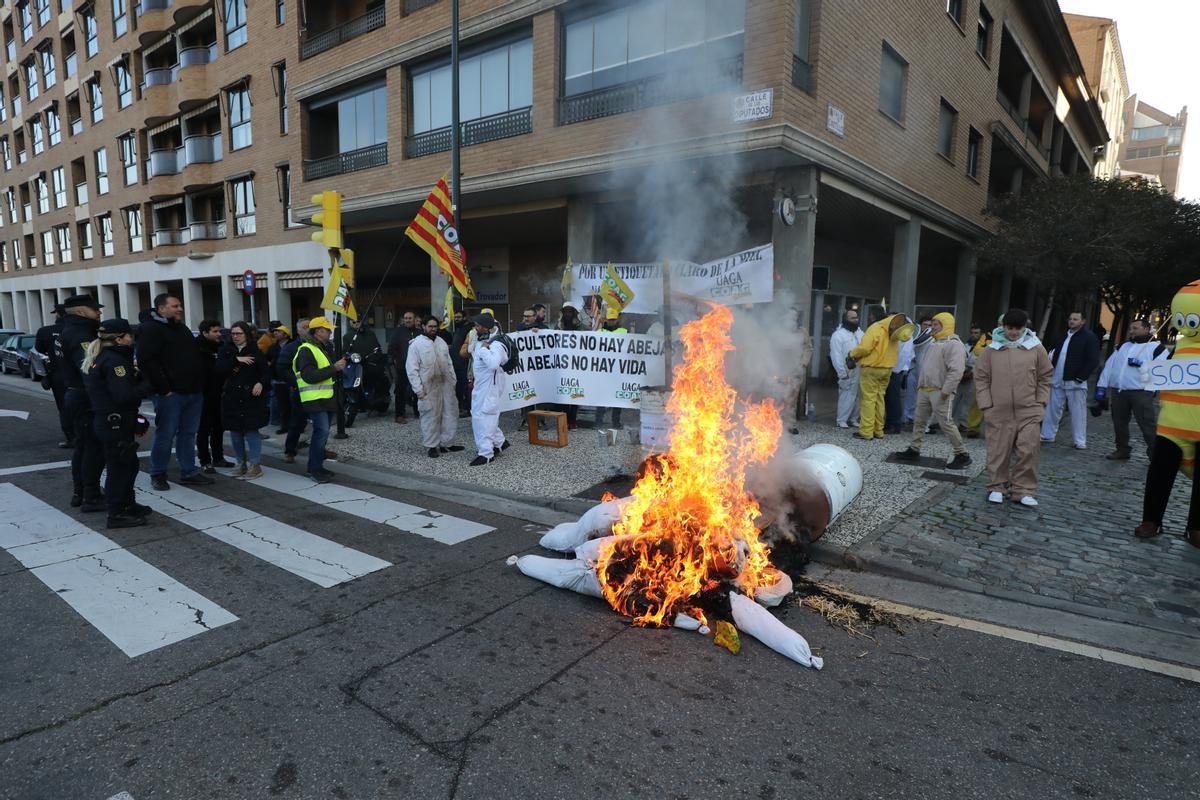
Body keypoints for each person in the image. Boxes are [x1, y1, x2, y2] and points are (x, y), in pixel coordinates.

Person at [1136, 281, 1200, 547]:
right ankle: (1152, 519)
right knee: (1159, 473)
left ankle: (1196, 527)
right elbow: (1161, 377)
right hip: (1171, 425)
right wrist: (1150, 375)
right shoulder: (1178, 348)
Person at [975, 309, 1053, 507]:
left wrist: (1040, 402)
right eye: (1010, 328)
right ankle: (997, 486)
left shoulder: (1036, 348)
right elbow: (981, 377)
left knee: (1029, 450)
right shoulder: (991, 349)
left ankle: (1023, 490)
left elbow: (1045, 376)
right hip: (998, 410)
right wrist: (986, 405)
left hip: (1029, 410)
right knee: (998, 451)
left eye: (1018, 328)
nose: (1014, 333)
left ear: (1024, 328)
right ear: (1003, 327)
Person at [81, 318, 153, 528]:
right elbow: (124, 396)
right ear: (120, 339)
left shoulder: (104, 357)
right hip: (115, 421)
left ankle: (127, 504)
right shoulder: (114, 361)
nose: (132, 338)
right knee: (120, 467)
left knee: (129, 464)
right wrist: (145, 385)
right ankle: (116, 513)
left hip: (113, 420)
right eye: (130, 335)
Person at [137, 293, 211, 490]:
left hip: (193, 392)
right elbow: (147, 362)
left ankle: (189, 471)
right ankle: (158, 473)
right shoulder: (151, 330)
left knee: (188, 434)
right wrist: (164, 389)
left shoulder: (182, 329)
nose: (180, 309)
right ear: (161, 309)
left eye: (180, 305)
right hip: (170, 394)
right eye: (175, 306)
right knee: (165, 434)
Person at [894, 312, 971, 469]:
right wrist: (920, 385)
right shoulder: (934, 343)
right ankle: (914, 449)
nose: (932, 327)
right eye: (932, 324)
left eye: (936, 324)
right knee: (919, 421)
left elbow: (956, 371)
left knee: (946, 423)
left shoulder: (954, 344)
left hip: (940, 391)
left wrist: (946, 391)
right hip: (925, 389)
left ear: (946, 325)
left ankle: (962, 454)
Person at [1095, 319, 1167, 461]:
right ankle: (1122, 449)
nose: (1131, 331)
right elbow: (1110, 365)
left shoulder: (1157, 348)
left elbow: (1160, 371)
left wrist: (1142, 364)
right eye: (1130, 328)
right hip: (1119, 391)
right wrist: (1101, 386)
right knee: (1119, 422)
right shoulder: (1123, 346)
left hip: (1141, 392)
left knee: (1147, 424)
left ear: (1147, 329)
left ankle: (1155, 453)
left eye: (1135, 328)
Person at [60, 294, 106, 512]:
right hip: (85, 396)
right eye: (94, 309)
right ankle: (91, 495)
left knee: (83, 446)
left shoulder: (67, 330)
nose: (98, 312)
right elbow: (89, 370)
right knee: (92, 448)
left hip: (75, 393)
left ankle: (81, 492)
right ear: (80, 312)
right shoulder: (81, 335)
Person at [846, 307, 915, 440]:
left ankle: (866, 432)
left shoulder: (876, 328)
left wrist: (852, 353)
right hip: (887, 369)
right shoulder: (894, 332)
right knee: (879, 399)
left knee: (868, 400)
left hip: (872, 368)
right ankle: (878, 430)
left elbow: (865, 348)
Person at [293, 317, 346, 483]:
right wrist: (334, 368)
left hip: (325, 399)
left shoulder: (323, 347)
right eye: (327, 329)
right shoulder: (306, 350)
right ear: (317, 331)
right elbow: (309, 376)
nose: (330, 332)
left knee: (322, 434)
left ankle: (316, 467)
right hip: (315, 399)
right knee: (321, 433)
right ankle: (315, 469)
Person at [216, 321, 270, 479]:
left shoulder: (255, 351)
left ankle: (255, 464)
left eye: (239, 333)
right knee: (235, 431)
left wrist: (261, 383)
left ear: (246, 334)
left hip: (250, 397)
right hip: (232, 396)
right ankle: (240, 462)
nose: (235, 337)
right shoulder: (225, 350)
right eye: (233, 334)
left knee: (252, 431)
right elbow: (218, 369)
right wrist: (236, 360)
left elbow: (266, 372)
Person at [1040, 311, 1100, 449]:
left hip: (1075, 381)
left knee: (1078, 412)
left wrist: (1081, 377)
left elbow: (1092, 360)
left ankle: (1079, 440)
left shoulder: (1089, 338)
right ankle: (1047, 434)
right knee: (1052, 409)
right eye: (1070, 318)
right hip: (1056, 378)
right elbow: (1052, 352)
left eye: (1075, 319)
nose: (1072, 321)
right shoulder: (1062, 335)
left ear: (1083, 321)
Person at [406, 314, 464, 458]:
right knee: (430, 416)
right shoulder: (416, 345)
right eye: (430, 326)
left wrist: (453, 380)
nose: (433, 329)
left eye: (435, 326)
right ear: (423, 326)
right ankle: (431, 446)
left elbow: (449, 363)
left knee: (450, 414)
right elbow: (411, 370)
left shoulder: (441, 342)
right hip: (428, 387)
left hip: (446, 385)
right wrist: (419, 390)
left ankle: (446, 443)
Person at [469, 313, 509, 466]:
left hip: (489, 389)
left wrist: (484, 350)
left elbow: (494, 364)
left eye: (477, 326)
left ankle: (486, 454)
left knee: (483, 419)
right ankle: (500, 443)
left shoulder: (496, 344)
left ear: (485, 327)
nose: (475, 328)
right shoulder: (484, 340)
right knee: (483, 416)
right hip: (482, 387)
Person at [196, 319, 233, 474]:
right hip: (202, 394)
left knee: (219, 427)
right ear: (205, 333)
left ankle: (218, 457)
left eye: (219, 331)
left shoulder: (221, 347)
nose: (219, 334)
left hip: (220, 393)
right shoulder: (196, 348)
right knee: (204, 428)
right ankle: (205, 460)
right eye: (215, 331)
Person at [36, 303, 72, 448]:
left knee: (64, 407)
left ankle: (71, 437)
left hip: (58, 374)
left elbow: (39, 351)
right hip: (79, 374)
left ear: (57, 314)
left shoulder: (45, 331)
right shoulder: (77, 330)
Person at [281, 318, 312, 464]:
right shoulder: (291, 348)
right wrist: (297, 382)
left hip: (318, 391)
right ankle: (290, 451)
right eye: (305, 327)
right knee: (297, 421)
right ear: (298, 330)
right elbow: (282, 368)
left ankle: (319, 450)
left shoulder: (319, 345)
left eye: (310, 327)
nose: (308, 329)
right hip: (300, 391)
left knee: (320, 423)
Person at [828, 309, 863, 429]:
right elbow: (836, 356)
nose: (856, 320)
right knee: (846, 394)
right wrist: (842, 372)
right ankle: (841, 419)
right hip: (847, 370)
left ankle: (853, 419)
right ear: (845, 319)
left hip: (860, 369)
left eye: (856, 317)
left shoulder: (860, 332)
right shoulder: (838, 335)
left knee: (858, 395)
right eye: (852, 318)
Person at [595, 308, 628, 429]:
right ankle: (598, 421)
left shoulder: (624, 331)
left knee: (617, 398)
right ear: (606, 319)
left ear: (617, 319)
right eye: (610, 319)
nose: (612, 321)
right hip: (603, 370)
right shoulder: (600, 332)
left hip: (617, 370)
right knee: (602, 397)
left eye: (614, 319)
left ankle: (616, 422)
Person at [388, 310, 420, 424]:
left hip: (417, 367)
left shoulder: (419, 333)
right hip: (402, 367)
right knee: (400, 391)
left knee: (418, 389)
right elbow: (391, 348)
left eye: (410, 318)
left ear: (414, 319)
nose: (407, 320)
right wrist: (394, 361)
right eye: (406, 318)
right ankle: (400, 414)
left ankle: (418, 411)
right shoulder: (397, 332)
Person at [903, 316, 934, 429]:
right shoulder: (913, 335)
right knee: (910, 395)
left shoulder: (933, 337)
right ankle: (907, 418)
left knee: (924, 397)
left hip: (926, 371)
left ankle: (922, 422)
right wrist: (912, 357)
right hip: (913, 369)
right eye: (925, 324)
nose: (928, 327)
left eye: (930, 325)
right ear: (920, 325)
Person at [557, 303, 585, 429]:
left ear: (573, 312)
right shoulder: (558, 327)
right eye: (566, 311)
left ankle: (572, 420)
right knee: (563, 394)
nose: (568, 314)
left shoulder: (580, 327)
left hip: (576, 364)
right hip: (562, 365)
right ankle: (564, 420)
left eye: (570, 311)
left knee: (574, 394)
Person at [884, 333, 914, 434]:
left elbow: (904, 353)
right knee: (889, 398)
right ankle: (889, 423)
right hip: (893, 368)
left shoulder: (905, 331)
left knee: (893, 398)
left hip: (895, 369)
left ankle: (894, 425)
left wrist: (895, 369)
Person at [266, 322, 292, 433]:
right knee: (282, 405)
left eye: (278, 331)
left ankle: (297, 425)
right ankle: (284, 425)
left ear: (286, 334)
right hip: (277, 379)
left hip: (291, 379)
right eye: (274, 331)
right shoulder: (273, 347)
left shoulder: (293, 345)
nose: (275, 333)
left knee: (294, 404)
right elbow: (266, 359)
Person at [450, 309, 472, 417]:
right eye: (455, 317)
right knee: (459, 387)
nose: (456, 319)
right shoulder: (458, 329)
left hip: (464, 363)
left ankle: (467, 408)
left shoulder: (468, 328)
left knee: (464, 387)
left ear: (464, 318)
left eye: (458, 317)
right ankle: (461, 407)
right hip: (456, 363)